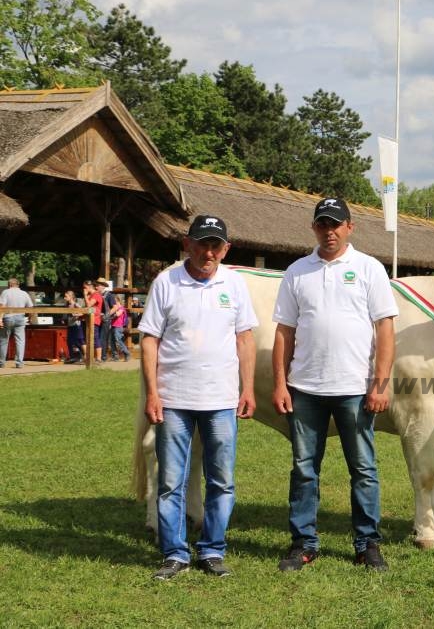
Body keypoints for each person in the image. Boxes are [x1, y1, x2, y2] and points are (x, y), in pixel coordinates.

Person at [272, 197, 398, 572]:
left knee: (363, 469)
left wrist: (380, 384)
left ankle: (367, 544)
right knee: (304, 469)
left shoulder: (369, 268)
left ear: (350, 227)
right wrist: (280, 383)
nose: (329, 231)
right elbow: (284, 332)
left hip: (355, 388)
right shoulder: (297, 271)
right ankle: (304, 544)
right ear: (314, 228)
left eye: (336, 224)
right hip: (306, 387)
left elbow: (385, 329)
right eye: (322, 225)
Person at [139, 214, 258, 581]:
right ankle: (174, 553)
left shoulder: (234, 284)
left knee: (221, 480)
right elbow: (149, 340)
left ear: (226, 249)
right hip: (174, 399)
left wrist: (248, 388)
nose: (208, 252)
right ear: (187, 244)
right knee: (171, 481)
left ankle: (212, 550)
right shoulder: (166, 282)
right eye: (202, 244)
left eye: (215, 245)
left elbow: (244, 339)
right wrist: (153, 393)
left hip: (221, 400)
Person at [1, 277, 34, 368]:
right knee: (20, 341)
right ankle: (19, 363)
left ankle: (2, 363)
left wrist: (0, 319)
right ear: (18, 284)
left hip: (8, 318)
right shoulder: (24, 293)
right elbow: (31, 307)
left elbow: (2, 307)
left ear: (10, 284)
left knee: (4, 340)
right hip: (20, 318)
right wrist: (30, 318)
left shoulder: (6, 292)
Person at [61, 289, 85, 364]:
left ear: (71, 297)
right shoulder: (67, 305)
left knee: (79, 341)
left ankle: (83, 356)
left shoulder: (75, 304)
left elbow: (83, 312)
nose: (64, 298)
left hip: (76, 325)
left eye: (66, 296)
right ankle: (73, 357)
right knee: (70, 341)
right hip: (70, 325)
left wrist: (76, 315)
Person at [83, 280, 103, 361]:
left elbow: (88, 305)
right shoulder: (91, 295)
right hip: (90, 319)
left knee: (95, 338)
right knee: (90, 338)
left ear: (89, 287)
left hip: (94, 319)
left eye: (85, 287)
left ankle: (98, 358)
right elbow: (88, 307)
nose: (84, 289)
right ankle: (92, 357)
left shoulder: (96, 295)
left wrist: (85, 295)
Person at [109, 294, 132, 361]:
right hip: (113, 326)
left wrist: (110, 314)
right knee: (112, 341)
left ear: (117, 300)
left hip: (118, 327)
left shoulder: (121, 308)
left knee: (118, 340)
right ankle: (115, 356)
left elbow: (118, 314)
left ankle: (126, 353)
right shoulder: (113, 308)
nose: (112, 302)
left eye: (114, 300)